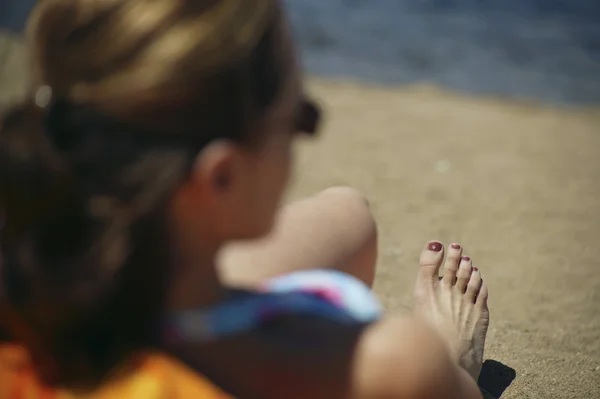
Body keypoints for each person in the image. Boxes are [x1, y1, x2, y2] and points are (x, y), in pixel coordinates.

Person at [0, 0, 490, 398]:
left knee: (349, 214)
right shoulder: (387, 365)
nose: (303, 136)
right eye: (302, 117)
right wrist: (444, 361)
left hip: (154, 309)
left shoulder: (28, 300)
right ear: (221, 178)